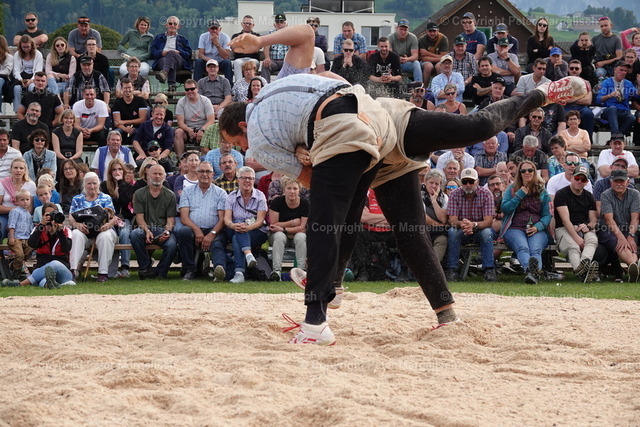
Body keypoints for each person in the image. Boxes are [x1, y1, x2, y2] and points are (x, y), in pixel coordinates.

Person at [225, 23, 589, 344]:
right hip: (373, 124)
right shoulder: (282, 81)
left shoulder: (260, 140)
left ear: (242, 126)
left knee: (330, 215)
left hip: (363, 127)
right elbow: (306, 35)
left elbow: (316, 179)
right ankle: (443, 313)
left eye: (237, 143)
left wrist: (307, 158)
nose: (244, 151)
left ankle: (318, 315)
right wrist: (260, 41)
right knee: (411, 226)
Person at [1, 203, 75, 289]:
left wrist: (59, 231)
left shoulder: (65, 230)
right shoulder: (39, 229)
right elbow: (32, 244)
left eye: (53, 214)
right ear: (43, 216)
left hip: (62, 269)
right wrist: (41, 225)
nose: (51, 217)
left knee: (54, 263)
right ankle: (52, 285)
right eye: (48, 215)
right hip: (42, 269)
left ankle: (21, 284)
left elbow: (66, 249)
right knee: (43, 280)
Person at [500, 161, 551, 284]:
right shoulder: (512, 189)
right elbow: (505, 208)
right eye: (523, 171)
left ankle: (532, 274)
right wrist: (519, 196)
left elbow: (547, 215)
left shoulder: (542, 191)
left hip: (536, 228)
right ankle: (531, 271)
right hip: (515, 228)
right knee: (522, 248)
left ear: (534, 172)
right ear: (519, 173)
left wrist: (538, 227)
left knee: (535, 249)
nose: (527, 173)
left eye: (530, 170)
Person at [176, 161, 227, 281]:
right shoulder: (187, 191)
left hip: (213, 229)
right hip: (193, 229)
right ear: (197, 173)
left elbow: (222, 219)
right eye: (201, 171)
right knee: (183, 233)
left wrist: (211, 234)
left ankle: (219, 270)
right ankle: (189, 270)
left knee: (217, 241)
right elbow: (184, 217)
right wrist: (196, 230)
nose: (205, 174)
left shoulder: (221, 193)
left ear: (213, 174)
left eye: (208, 171)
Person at [445, 168, 497, 282]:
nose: (468, 185)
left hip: (480, 229)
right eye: (465, 182)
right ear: (461, 182)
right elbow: (452, 220)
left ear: (477, 182)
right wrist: (464, 224)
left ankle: (489, 269)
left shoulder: (486, 194)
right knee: (452, 232)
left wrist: (473, 225)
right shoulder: (454, 194)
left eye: (471, 181)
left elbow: (489, 221)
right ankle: (452, 269)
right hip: (462, 229)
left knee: (487, 233)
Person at [68, 172, 117, 282]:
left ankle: (103, 273)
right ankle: (73, 270)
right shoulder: (77, 199)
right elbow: (71, 217)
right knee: (76, 234)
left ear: (98, 184)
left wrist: (108, 225)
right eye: (89, 183)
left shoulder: (105, 198)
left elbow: (113, 217)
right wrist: (77, 225)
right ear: (84, 184)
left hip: (102, 230)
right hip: (84, 232)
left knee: (105, 236)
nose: (92, 186)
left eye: (94, 183)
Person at [221, 166, 268, 283]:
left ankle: (239, 273)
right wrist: (233, 225)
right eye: (244, 178)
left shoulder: (260, 196)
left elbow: (260, 221)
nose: (247, 181)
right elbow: (227, 220)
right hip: (235, 228)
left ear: (254, 180)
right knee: (238, 225)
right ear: (238, 180)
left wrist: (247, 228)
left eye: (250, 178)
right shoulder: (231, 196)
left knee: (237, 238)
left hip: (256, 231)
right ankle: (248, 255)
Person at [130, 165, 178, 280]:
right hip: (145, 228)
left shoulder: (170, 195)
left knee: (172, 244)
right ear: (148, 176)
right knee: (135, 234)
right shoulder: (139, 194)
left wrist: (167, 232)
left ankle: (160, 272)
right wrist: (146, 230)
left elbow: (170, 219)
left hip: (162, 229)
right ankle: (144, 268)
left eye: (160, 174)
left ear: (164, 177)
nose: (157, 176)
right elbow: (139, 217)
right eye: (154, 173)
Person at [554, 165, 599, 282]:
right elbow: (565, 220)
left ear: (587, 182)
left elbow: (593, 220)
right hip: (564, 228)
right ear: (572, 178)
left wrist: (588, 226)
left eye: (583, 179)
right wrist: (577, 238)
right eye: (577, 178)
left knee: (592, 240)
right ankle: (584, 273)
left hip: (583, 227)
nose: (579, 181)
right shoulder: (561, 194)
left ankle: (583, 266)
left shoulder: (589, 196)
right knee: (573, 247)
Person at [597, 169, 640, 282]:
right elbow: (609, 220)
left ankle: (633, 268)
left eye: (622, 181)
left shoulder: (635, 194)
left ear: (628, 182)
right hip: (608, 229)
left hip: (628, 228)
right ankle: (634, 265)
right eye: (616, 181)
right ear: (611, 182)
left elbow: (635, 218)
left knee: (632, 242)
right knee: (618, 243)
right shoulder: (605, 195)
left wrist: (631, 235)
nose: (619, 184)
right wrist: (621, 238)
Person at [99, 159, 135, 278]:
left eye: (120, 169)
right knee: (107, 235)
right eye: (114, 170)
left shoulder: (128, 186)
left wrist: (120, 183)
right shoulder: (104, 186)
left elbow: (125, 202)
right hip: (108, 219)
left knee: (125, 233)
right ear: (110, 172)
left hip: (124, 218)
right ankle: (108, 267)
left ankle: (125, 267)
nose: (117, 172)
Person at [268, 176, 308, 280]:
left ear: (299, 190)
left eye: (295, 188)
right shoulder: (277, 202)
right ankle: (276, 271)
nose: (292, 191)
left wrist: (283, 228)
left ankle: (301, 272)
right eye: (289, 188)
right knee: (279, 236)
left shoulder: (305, 203)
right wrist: (293, 222)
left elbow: (303, 228)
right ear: (284, 190)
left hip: (296, 235)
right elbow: (273, 225)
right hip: (279, 236)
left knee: (301, 236)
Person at [150, 16, 192, 91]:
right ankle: (172, 86)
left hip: (179, 62)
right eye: (170, 23)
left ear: (178, 26)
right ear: (166, 25)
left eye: (175, 24)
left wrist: (179, 52)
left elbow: (189, 54)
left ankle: (165, 72)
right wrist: (161, 53)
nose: (172, 26)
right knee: (172, 62)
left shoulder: (183, 39)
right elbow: (153, 51)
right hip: (162, 61)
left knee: (171, 53)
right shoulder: (159, 38)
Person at [175, 79, 215, 158]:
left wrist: (202, 130)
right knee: (178, 132)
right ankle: (180, 159)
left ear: (197, 89)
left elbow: (211, 120)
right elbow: (180, 122)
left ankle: (207, 159)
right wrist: (188, 129)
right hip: (188, 129)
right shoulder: (181, 102)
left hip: (203, 129)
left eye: (192, 89)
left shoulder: (205, 101)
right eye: (187, 89)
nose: (190, 91)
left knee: (209, 133)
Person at [596, 60, 637, 135]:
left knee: (632, 118)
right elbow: (598, 99)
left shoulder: (628, 83)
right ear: (615, 69)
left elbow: (636, 94)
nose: (623, 72)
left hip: (623, 111)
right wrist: (610, 95)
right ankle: (615, 134)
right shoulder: (606, 82)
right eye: (621, 70)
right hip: (609, 111)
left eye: (625, 71)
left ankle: (616, 137)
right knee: (612, 108)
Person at [563, 60, 595, 141]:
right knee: (561, 115)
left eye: (576, 68)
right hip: (567, 107)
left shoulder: (586, 83)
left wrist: (571, 98)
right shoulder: (562, 82)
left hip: (582, 108)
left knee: (589, 114)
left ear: (580, 70)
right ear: (568, 69)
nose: (574, 70)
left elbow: (588, 101)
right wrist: (579, 97)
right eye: (572, 68)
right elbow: (563, 100)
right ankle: (564, 141)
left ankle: (588, 141)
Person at [13, 35, 45, 113]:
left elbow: (38, 70)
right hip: (21, 77)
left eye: (28, 47)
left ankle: (32, 110)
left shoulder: (38, 54)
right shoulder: (17, 54)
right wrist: (21, 80)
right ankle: (18, 111)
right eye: (24, 47)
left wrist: (31, 80)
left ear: (32, 45)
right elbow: (16, 70)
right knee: (16, 88)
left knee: (32, 88)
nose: (26, 49)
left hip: (34, 77)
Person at [421, 170, 448, 262]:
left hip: (437, 232)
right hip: (421, 229)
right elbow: (422, 216)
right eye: (431, 182)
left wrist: (434, 201)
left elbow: (443, 219)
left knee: (442, 240)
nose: (433, 186)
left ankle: (431, 267)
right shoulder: (418, 195)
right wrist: (438, 225)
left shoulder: (444, 197)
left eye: (437, 184)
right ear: (425, 182)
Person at [111, 78, 148, 145]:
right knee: (114, 134)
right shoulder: (117, 103)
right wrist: (125, 129)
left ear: (133, 88)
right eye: (125, 88)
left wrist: (124, 122)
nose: (127, 90)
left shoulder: (141, 101)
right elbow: (117, 122)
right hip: (122, 128)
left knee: (139, 133)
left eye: (129, 87)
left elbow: (142, 119)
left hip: (138, 127)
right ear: (121, 89)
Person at [7, 189, 33, 278]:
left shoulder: (28, 214)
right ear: (17, 201)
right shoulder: (15, 211)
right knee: (19, 254)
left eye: (27, 199)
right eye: (22, 200)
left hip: (26, 238)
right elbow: (12, 224)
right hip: (16, 238)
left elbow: (30, 227)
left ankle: (15, 264)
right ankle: (16, 272)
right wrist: (11, 237)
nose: (25, 202)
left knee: (30, 250)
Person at [388, 19, 421, 83]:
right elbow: (389, 54)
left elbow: (415, 56)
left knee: (416, 63)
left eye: (405, 30)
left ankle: (419, 84)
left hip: (406, 63)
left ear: (408, 30)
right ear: (397, 28)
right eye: (401, 29)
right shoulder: (390, 37)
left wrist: (407, 59)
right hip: (393, 64)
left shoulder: (413, 38)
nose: (403, 32)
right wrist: (398, 59)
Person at [231, 16, 261, 84]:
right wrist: (251, 46)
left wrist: (241, 46)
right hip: (240, 59)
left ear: (253, 25)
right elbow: (234, 48)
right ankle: (239, 85)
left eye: (249, 23)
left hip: (253, 59)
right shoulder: (235, 36)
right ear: (242, 24)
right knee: (237, 62)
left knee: (251, 63)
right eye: (245, 23)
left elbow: (256, 49)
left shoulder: (257, 36)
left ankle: (252, 84)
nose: (247, 25)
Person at [261, 14, 290, 82]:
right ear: (275, 24)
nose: (279, 24)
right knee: (265, 65)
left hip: (285, 61)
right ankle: (265, 85)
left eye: (281, 22)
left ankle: (289, 86)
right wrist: (267, 58)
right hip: (273, 61)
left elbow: (292, 47)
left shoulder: (290, 34)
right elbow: (266, 47)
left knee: (292, 67)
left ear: (285, 24)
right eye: (277, 22)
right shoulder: (270, 33)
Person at [593, 17, 623, 82]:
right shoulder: (595, 39)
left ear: (611, 25)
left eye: (606, 25)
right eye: (602, 26)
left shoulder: (616, 39)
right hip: (600, 67)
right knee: (599, 74)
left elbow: (619, 57)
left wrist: (604, 62)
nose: (604, 28)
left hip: (613, 66)